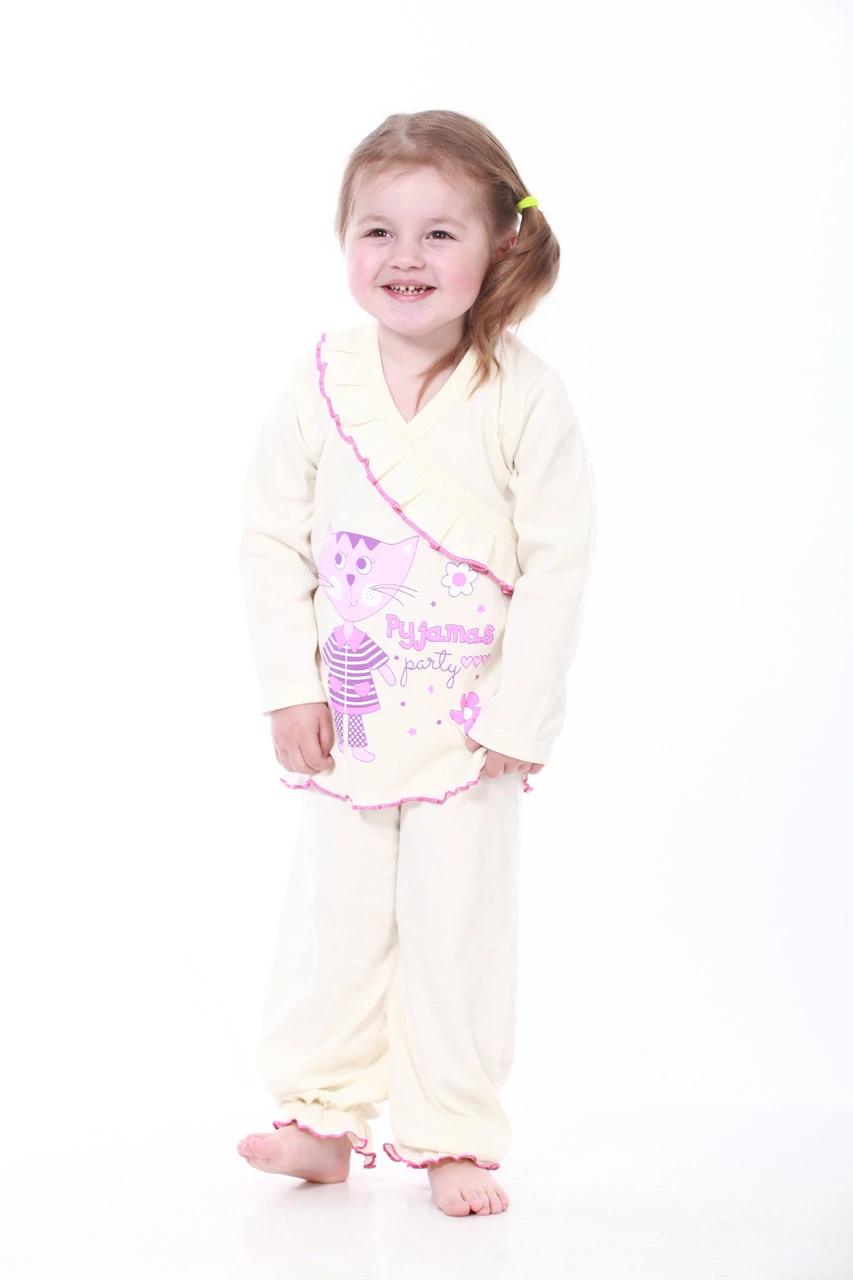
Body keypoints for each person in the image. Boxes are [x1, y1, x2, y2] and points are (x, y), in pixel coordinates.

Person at [235, 109, 597, 1218]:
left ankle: (451, 1134)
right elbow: (271, 537)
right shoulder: (322, 379)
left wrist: (521, 717)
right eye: (377, 230)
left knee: (454, 934)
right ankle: (320, 1119)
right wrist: (291, 686)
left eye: (440, 232)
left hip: (469, 728)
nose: (405, 257)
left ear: (501, 241)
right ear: (343, 241)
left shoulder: (524, 392)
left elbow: (558, 562)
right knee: (335, 921)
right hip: (349, 716)